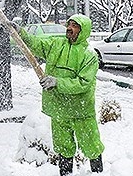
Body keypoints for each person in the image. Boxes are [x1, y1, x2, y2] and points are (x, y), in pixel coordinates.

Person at [18, 14, 104, 174]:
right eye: (69, 24)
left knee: (91, 145)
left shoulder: (89, 55)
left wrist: (57, 82)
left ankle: (99, 173)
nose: (70, 28)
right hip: (59, 110)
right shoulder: (56, 45)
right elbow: (36, 44)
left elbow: (83, 83)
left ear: (83, 30)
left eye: (75, 26)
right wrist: (20, 33)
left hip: (81, 111)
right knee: (63, 148)